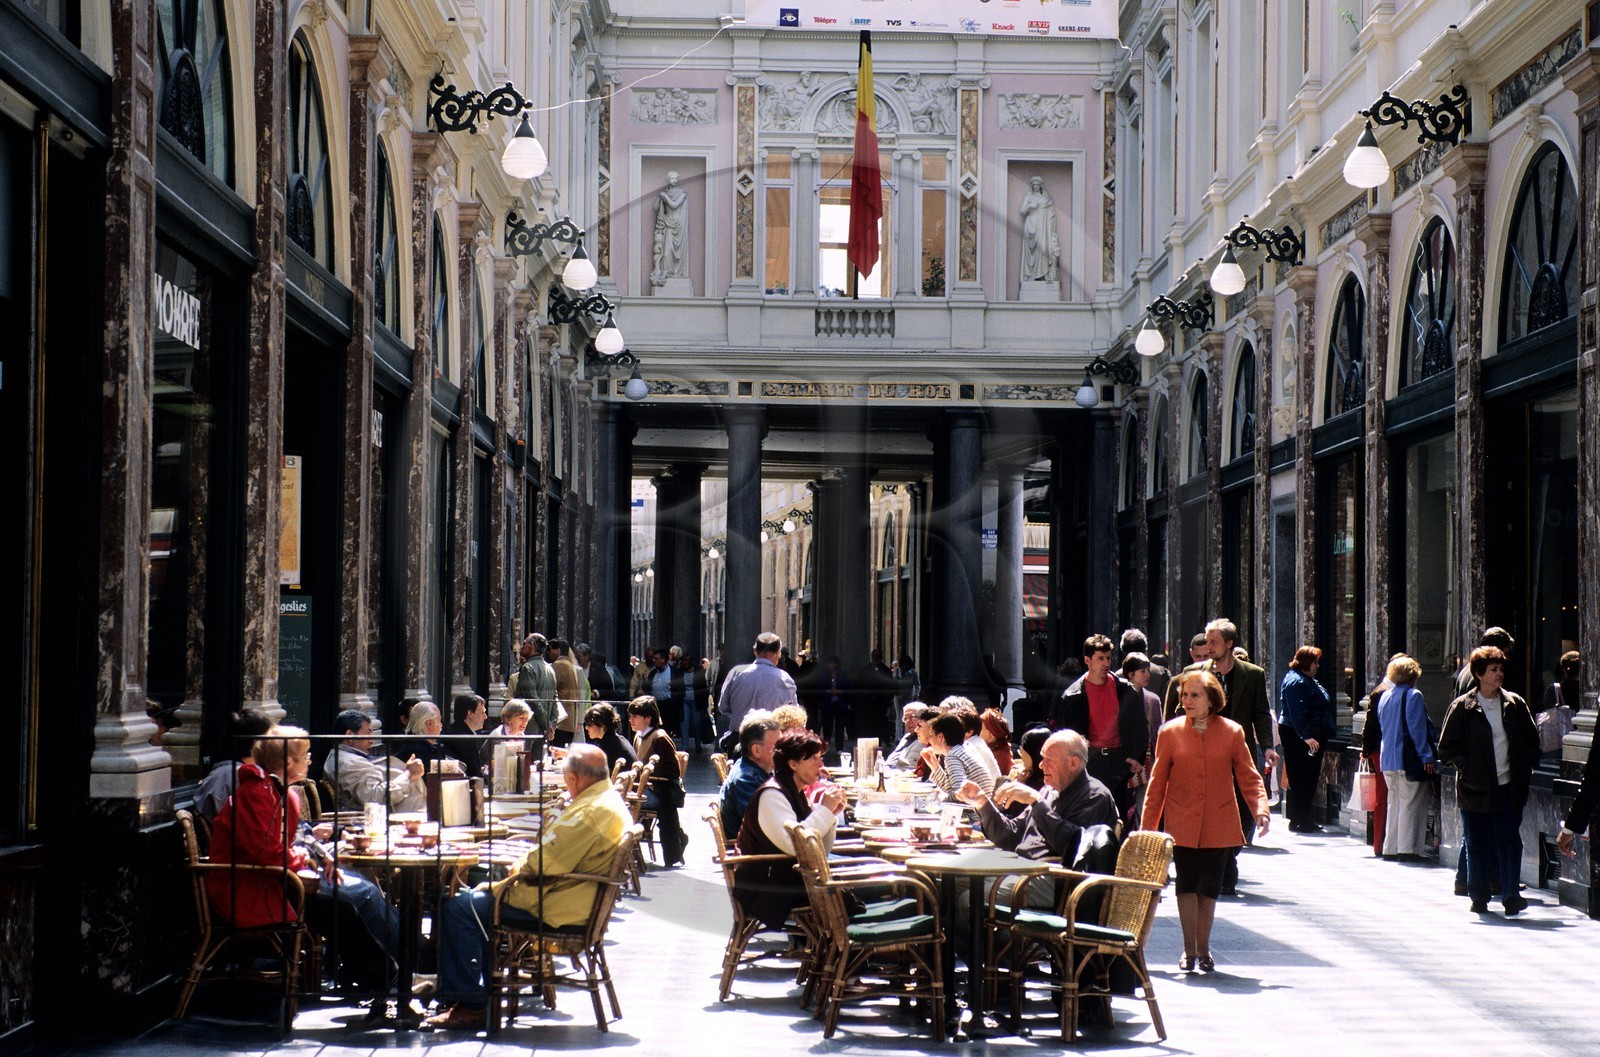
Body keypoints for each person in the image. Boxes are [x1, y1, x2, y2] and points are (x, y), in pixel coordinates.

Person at [424, 745, 630, 1030]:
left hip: (556, 905)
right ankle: (472, 990)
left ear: (572, 779)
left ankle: (471, 1003)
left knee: (459, 907)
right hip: (570, 897)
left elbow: (547, 860)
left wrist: (519, 863)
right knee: (471, 895)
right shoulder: (604, 799)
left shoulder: (592, 811)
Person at [210, 726, 396, 996]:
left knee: (344, 907)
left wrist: (316, 857)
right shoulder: (256, 794)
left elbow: (279, 847)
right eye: (305, 755)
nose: (310, 760)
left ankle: (380, 975)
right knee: (342, 909)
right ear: (288, 762)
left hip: (270, 884)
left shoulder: (278, 793)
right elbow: (266, 850)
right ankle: (386, 978)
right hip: (248, 891)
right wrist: (306, 858)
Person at [1141, 670, 1270, 973]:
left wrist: (1260, 809)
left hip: (1219, 821)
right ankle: (1188, 950)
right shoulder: (1169, 732)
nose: (1187, 700)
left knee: (1209, 888)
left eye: (1194, 695)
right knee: (1186, 883)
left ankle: (1204, 948)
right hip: (1181, 821)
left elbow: (1249, 776)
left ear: (1211, 700)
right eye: (1184, 695)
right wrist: (1147, 828)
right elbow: (1157, 783)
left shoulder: (1233, 732)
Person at [1437, 646, 1540, 915]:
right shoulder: (1463, 707)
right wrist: (1468, 769)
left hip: (1509, 787)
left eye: (1501, 669)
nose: (1499, 674)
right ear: (1479, 673)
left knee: (1510, 841)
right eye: (1493, 669)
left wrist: (1526, 767)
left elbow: (1531, 740)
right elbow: (1446, 749)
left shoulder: (1514, 704)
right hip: (1476, 790)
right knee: (1477, 843)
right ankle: (1479, 896)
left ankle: (1511, 895)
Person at [732, 728, 845, 929]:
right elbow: (796, 845)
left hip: (789, 880)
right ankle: (848, 952)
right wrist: (825, 810)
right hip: (766, 890)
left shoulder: (796, 792)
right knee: (860, 887)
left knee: (851, 880)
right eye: (813, 759)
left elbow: (821, 850)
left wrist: (832, 815)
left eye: (820, 758)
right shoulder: (772, 795)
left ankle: (838, 954)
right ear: (793, 764)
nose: (820, 765)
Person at [1056, 634, 1149, 820]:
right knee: (1089, 817)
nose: (1106, 663)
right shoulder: (1073, 695)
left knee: (1118, 818)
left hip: (1119, 759)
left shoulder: (1125, 690)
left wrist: (1135, 758)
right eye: (1100, 658)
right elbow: (1065, 734)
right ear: (1087, 660)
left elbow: (1140, 726)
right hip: (1090, 760)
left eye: (1108, 658)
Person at [1375, 654, 1437, 859]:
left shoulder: (1385, 696)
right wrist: (1426, 756)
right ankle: (1408, 849)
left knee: (1394, 804)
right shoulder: (1413, 695)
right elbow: (1417, 729)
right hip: (1406, 759)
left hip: (1388, 760)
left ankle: (1390, 848)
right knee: (1411, 803)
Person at [322, 709, 427, 813]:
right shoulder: (348, 762)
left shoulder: (346, 756)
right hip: (376, 820)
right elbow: (374, 798)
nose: (372, 741)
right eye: (368, 734)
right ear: (350, 735)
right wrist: (408, 774)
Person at [1277, 646, 1333, 833]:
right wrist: (1306, 737)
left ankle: (1300, 818)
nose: (1317, 666)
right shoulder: (1298, 682)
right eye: (1315, 662)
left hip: (1305, 733)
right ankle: (1300, 819)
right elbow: (1297, 712)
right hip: (1299, 735)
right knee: (1303, 777)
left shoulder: (1305, 679)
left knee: (1303, 777)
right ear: (1306, 663)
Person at [628, 696, 687, 867]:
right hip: (645, 787)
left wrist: (650, 778)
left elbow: (672, 771)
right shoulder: (638, 736)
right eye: (630, 716)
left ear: (648, 718)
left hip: (661, 792)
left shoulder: (659, 737)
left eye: (635, 716)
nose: (631, 720)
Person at [193, 708, 274, 822]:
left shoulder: (232, 772)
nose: (274, 746)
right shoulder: (231, 775)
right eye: (270, 740)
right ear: (256, 743)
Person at [718, 632, 800, 733]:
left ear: (755, 651)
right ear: (778, 652)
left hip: (740, 737)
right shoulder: (785, 678)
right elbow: (793, 714)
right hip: (770, 740)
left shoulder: (736, 673)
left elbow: (723, 707)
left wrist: (740, 715)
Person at [718, 711, 781, 837]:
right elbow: (763, 828)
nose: (782, 751)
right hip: (760, 854)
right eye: (776, 747)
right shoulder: (746, 780)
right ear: (756, 750)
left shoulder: (755, 769)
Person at [926, 713, 998, 801]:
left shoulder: (953, 756)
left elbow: (961, 794)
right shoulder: (966, 748)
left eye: (931, 735)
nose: (929, 740)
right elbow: (951, 788)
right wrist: (935, 767)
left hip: (974, 812)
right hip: (981, 808)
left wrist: (941, 797)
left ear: (940, 736)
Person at [512, 633, 559, 740]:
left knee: (524, 755)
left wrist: (547, 724)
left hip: (528, 726)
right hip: (544, 728)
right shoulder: (550, 669)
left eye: (524, 644)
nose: (521, 647)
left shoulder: (527, 668)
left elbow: (532, 699)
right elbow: (554, 700)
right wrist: (551, 724)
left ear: (532, 645)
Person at [1018, 175, 1061, 283]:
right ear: (1032, 186)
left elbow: (1052, 215)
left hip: (1043, 227)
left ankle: (1045, 274)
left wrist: (1052, 231)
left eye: (1037, 185)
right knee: (1031, 251)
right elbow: (1022, 211)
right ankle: (1031, 274)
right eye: (1034, 185)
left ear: (1040, 186)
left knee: (1043, 248)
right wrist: (1029, 206)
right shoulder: (1028, 197)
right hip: (1030, 226)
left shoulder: (1045, 198)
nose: (1036, 186)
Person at [397, 702, 458, 773]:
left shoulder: (410, 744)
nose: (441, 725)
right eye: (439, 721)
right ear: (429, 724)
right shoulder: (419, 752)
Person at [583, 702, 638, 776]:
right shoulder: (615, 739)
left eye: (589, 724)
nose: (586, 727)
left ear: (601, 724)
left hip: (620, 786)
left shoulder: (609, 745)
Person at [1120, 629, 1171, 703]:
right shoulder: (1161, 673)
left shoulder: (1116, 678)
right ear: (1144, 649)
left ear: (1124, 651)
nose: (1147, 675)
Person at [549, 638, 584, 747]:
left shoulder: (559, 665)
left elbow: (550, 688)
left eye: (550, 649)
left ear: (558, 650)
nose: (548, 652)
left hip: (561, 721)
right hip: (568, 721)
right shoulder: (569, 664)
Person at [443, 693, 487, 778]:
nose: (485, 717)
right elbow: (474, 773)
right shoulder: (464, 738)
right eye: (482, 713)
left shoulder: (456, 731)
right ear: (470, 714)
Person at [885, 702, 927, 770]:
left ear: (923, 718)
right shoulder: (906, 737)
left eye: (912, 717)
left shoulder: (923, 740)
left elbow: (909, 768)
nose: (908, 721)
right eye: (905, 718)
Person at [979, 709, 1014, 777]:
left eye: (980, 728)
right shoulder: (991, 749)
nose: (977, 732)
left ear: (991, 734)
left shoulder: (999, 756)